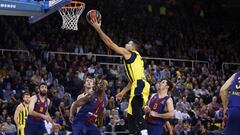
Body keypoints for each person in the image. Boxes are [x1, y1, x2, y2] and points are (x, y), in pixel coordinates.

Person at [89, 17, 150, 135]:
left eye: (129, 43)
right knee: (131, 115)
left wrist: (98, 29)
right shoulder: (135, 60)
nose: (126, 44)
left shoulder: (130, 53)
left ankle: (144, 132)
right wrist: (122, 92)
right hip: (138, 84)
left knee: (134, 105)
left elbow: (110, 44)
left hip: (140, 84)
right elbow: (132, 81)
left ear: (133, 48)